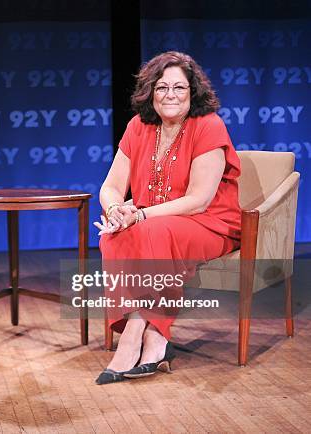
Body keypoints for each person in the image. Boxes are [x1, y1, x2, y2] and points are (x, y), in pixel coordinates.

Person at [93, 51, 241, 384]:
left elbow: (200, 201)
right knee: (113, 234)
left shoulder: (208, 125)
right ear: (150, 92)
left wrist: (141, 214)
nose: (170, 95)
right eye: (162, 88)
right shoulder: (139, 127)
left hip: (210, 223)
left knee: (155, 233)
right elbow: (111, 186)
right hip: (154, 221)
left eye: (179, 88)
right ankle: (155, 339)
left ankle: (136, 334)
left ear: (193, 92)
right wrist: (117, 210)